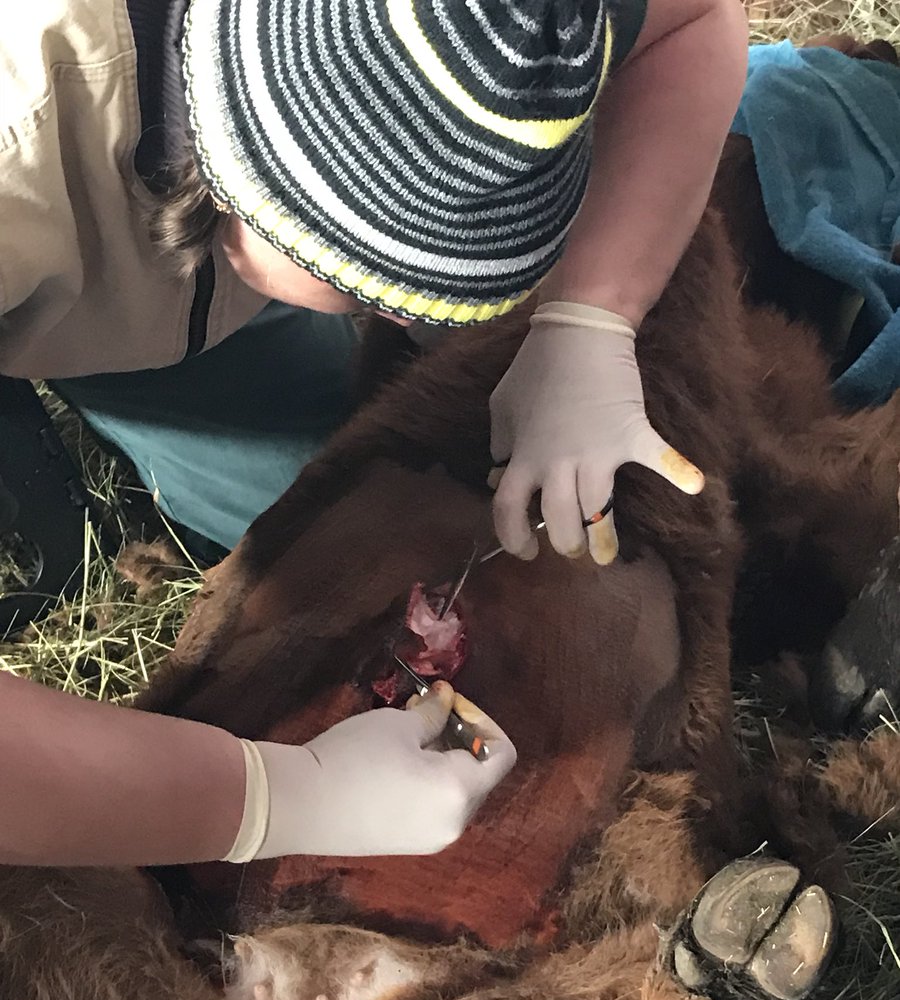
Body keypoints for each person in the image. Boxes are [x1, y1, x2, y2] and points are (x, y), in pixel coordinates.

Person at [1, 0, 745, 866]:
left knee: (343, 537)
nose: (398, 323)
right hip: (60, 222)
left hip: (193, 258)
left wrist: (590, 317)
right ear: (252, 183)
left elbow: (699, 17)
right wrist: (272, 799)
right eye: (382, 291)